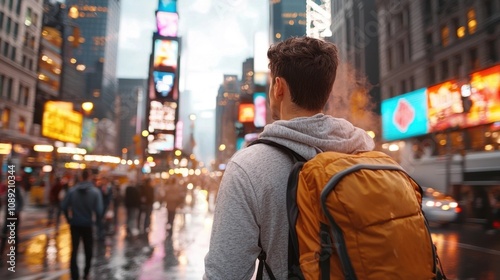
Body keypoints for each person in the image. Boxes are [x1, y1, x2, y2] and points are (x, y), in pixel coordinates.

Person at [203, 37, 375, 279]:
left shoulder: (248, 167)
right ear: (327, 89)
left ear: (278, 87)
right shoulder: (365, 154)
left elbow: (225, 273)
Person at [61, 168, 103, 280]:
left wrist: (69, 219)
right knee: (88, 250)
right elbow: (99, 211)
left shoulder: (72, 191)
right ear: (89, 177)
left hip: (75, 223)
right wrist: (97, 224)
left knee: (74, 250)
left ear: (80, 177)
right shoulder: (95, 192)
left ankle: (74, 275)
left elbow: (64, 206)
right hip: (88, 224)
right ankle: (86, 273)